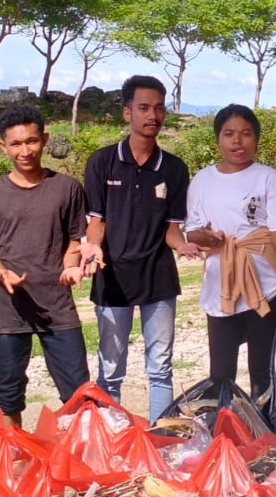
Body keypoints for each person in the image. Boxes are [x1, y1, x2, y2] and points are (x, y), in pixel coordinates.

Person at [80, 76, 196, 420]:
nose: (153, 115)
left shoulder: (174, 169)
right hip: (112, 276)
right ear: (127, 113)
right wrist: (94, 249)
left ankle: (162, 441)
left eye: (159, 107)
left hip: (158, 278)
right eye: (144, 107)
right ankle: (112, 439)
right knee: (111, 370)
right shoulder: (101, 162)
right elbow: (96, 221)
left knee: (160, 368)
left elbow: (171, 231)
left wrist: (186, 247)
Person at [0, 104, 91, 427]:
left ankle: (80, 461)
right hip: (8, 308)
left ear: (44, 139)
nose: (24, 151)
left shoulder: (67, 188)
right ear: (3, 146)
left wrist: (72, 265)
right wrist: (1, 272)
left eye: (31, 141)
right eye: (15, 144)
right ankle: (11, 463)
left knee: (78, 390)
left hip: (57, 305)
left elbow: (74, 239)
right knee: (7, 392)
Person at [185, 104, 276, 408]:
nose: (238, 142)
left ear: (257, 140)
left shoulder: (269, 178)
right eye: (229, 134)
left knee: (261, 367)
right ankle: (224, 427)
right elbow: (192, 230)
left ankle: (264, 425)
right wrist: (204, 237)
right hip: (219, 282)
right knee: (221, 369)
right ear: (218, 139)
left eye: (246, 134)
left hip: (264, 283)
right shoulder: (202, 180)